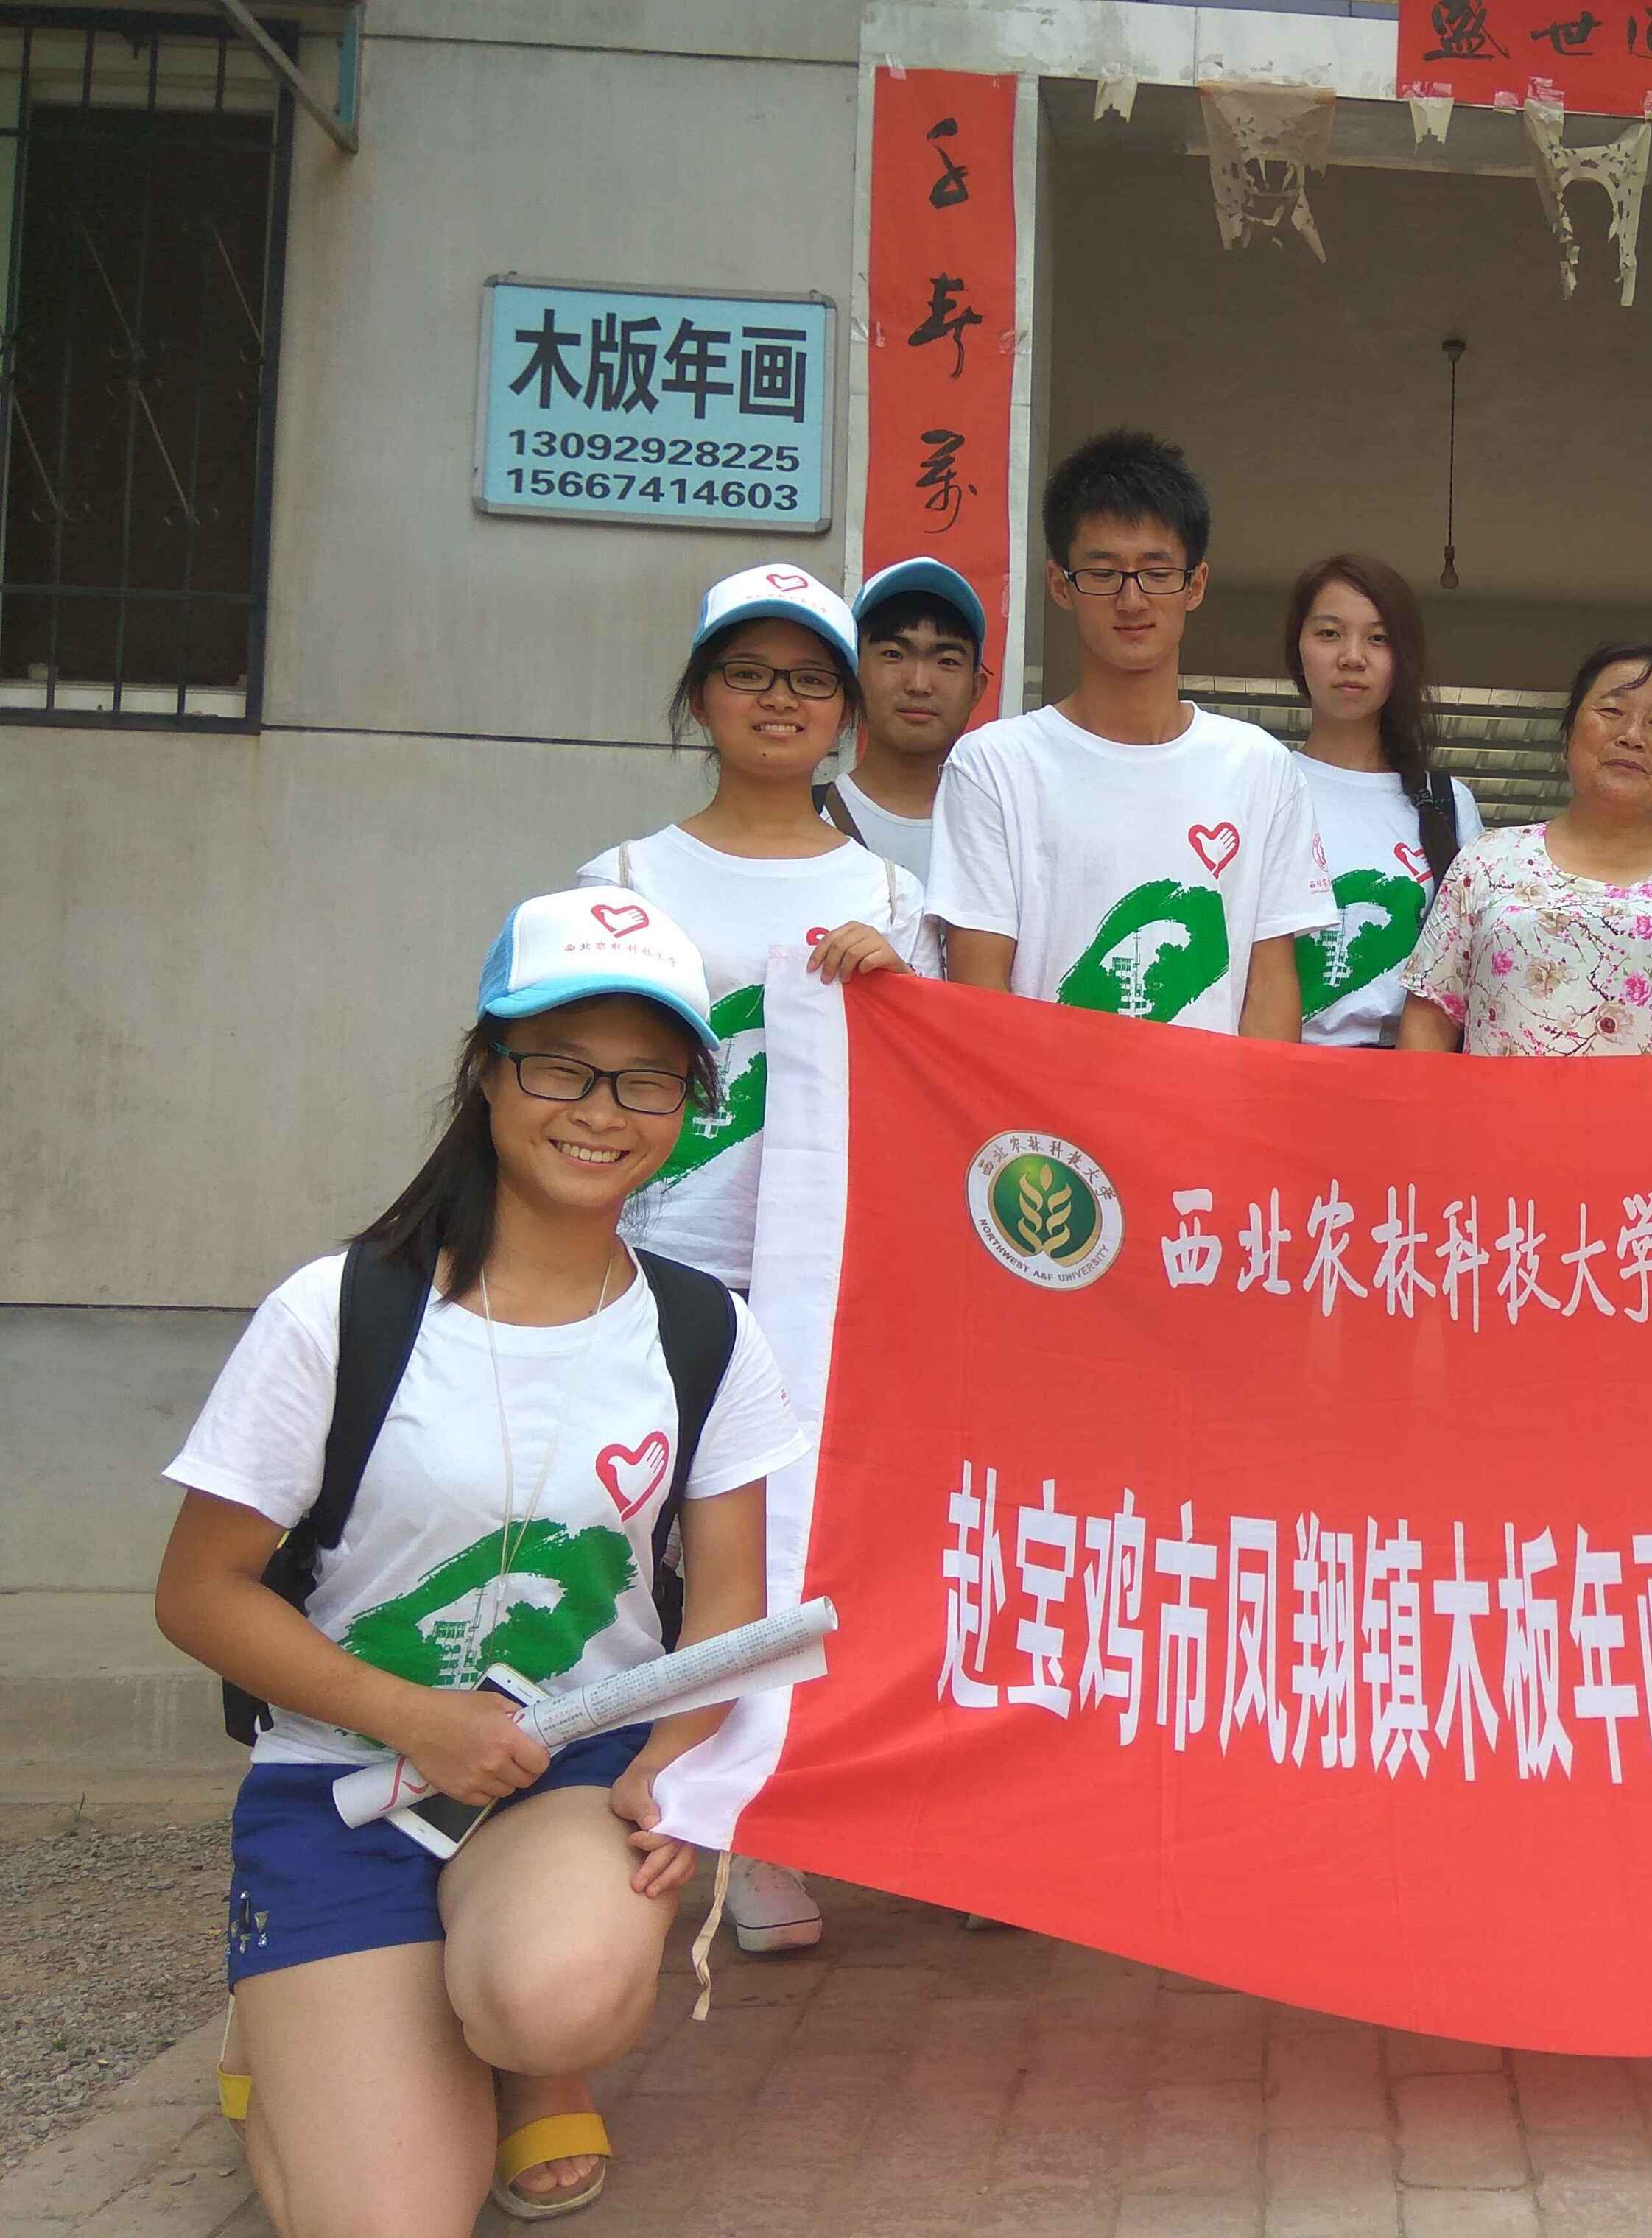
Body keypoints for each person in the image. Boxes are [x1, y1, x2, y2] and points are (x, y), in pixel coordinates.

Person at [154, 890, 809, 2232]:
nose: (601, 1109)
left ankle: (519, 2053)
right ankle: (279, 2023)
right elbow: (199, 1590)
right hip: (347, 1781)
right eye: (560, 1063)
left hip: (566, 1772)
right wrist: (415, 1716)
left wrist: (667, 1765)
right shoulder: (339, 1308)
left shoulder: (706, 1331)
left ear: (688, 1102)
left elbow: (729, 1599)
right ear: (488, 1070)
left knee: (550, 1993)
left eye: (647, 1078)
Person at [580, 560, 930, 1957]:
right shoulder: (623, 879)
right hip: (652, 1260)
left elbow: (935, 1091)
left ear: (846, 710)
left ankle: (758, 1820)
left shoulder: (891, 891)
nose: (778, 701)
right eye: (747, 673)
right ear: (700, 695)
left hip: (823, 1280)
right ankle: (599, 1794)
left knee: (785, 1546)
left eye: (809, 679)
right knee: (642, 1545)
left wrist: (898, 983)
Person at [929, 429, 1333, 1038]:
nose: (1132, 599)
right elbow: (979, 986)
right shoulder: (993, 766)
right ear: (1059, 584)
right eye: (1103, 572)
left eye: (1156, 571)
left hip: (1208, 1101)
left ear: (1195, 584)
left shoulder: (1260, 767)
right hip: (1046, 1100)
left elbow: (1271, 985)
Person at [1397, 644, 1652, 1056]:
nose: (1632, 736)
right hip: (1498, 1103)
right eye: (1612, 711)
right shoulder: (1485, 861)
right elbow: (1427, 1026)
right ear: (1567, 736)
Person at [1284, 553, 1485, 1047]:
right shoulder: (1264, 783)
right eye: (1329, 633)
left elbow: (1471, 969)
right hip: (1277, 1073)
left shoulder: (1446, 804)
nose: (1352, 657)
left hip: (1407, 1079)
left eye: (1378, 638)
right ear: (1298, 648)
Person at [814, 557, 991, 884]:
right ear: (853, 676)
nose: (919, 684)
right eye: (893, 654)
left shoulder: (1006, 829)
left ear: (976, 689)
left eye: (947, 661)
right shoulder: (804, 820)